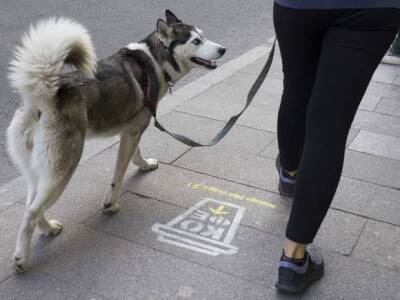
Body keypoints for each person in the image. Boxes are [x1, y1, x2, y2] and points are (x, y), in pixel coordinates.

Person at [272, 1, 400, 294]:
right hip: (372, 9)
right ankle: (293, 260)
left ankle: (289, 175)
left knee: (296, 90)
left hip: (299, 7)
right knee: (329, 122)